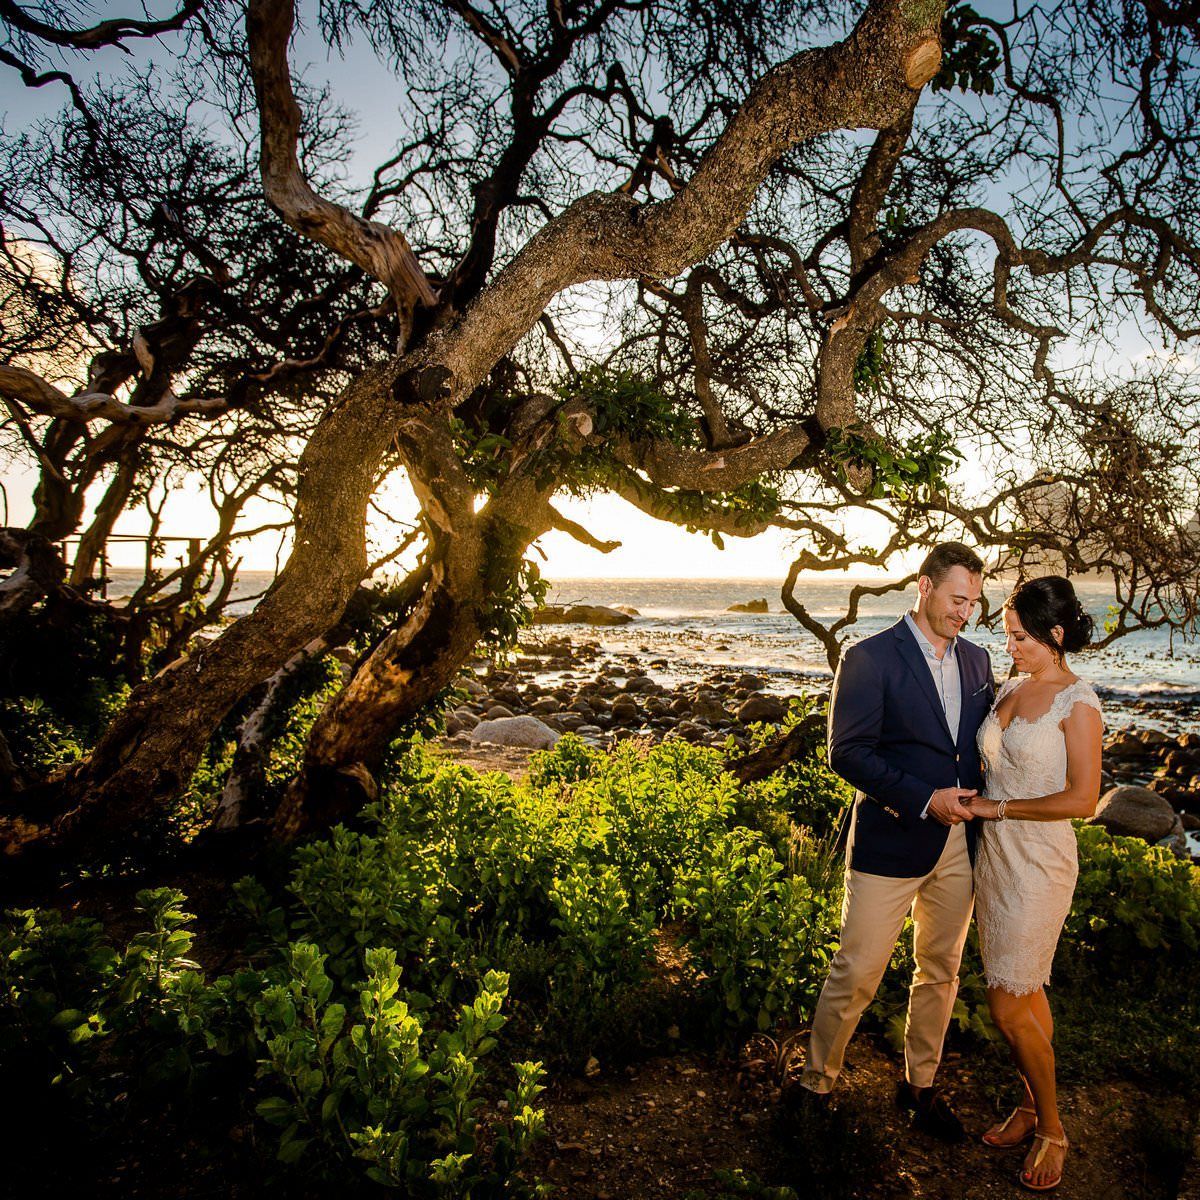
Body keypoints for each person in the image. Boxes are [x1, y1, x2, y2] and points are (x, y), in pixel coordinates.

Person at [799, 542, 994, 1142]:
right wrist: (921, 797)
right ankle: (814, 1084)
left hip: (960, 846)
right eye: (958, 599)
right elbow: (847, 752)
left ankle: (921, 1086)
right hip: (890, 840)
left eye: (975, 602)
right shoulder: (868, 658)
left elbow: (974, 750)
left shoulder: (980, 662)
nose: (965, 612)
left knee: (941, 969)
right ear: (925, 586)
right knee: (857, 968)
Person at [965, 576, 1102, 1192]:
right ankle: (1028, 1104)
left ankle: (1053, 1128)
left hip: (1040, 862)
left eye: (1019, 637)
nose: (1010, 647)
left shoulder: (1080, 702)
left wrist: (998, 811)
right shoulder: (1014, 688)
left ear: (1054, 635)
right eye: (1007, 635)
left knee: (1005, 1004)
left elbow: (1084, 799)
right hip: (993, 858)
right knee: (1026, 992)